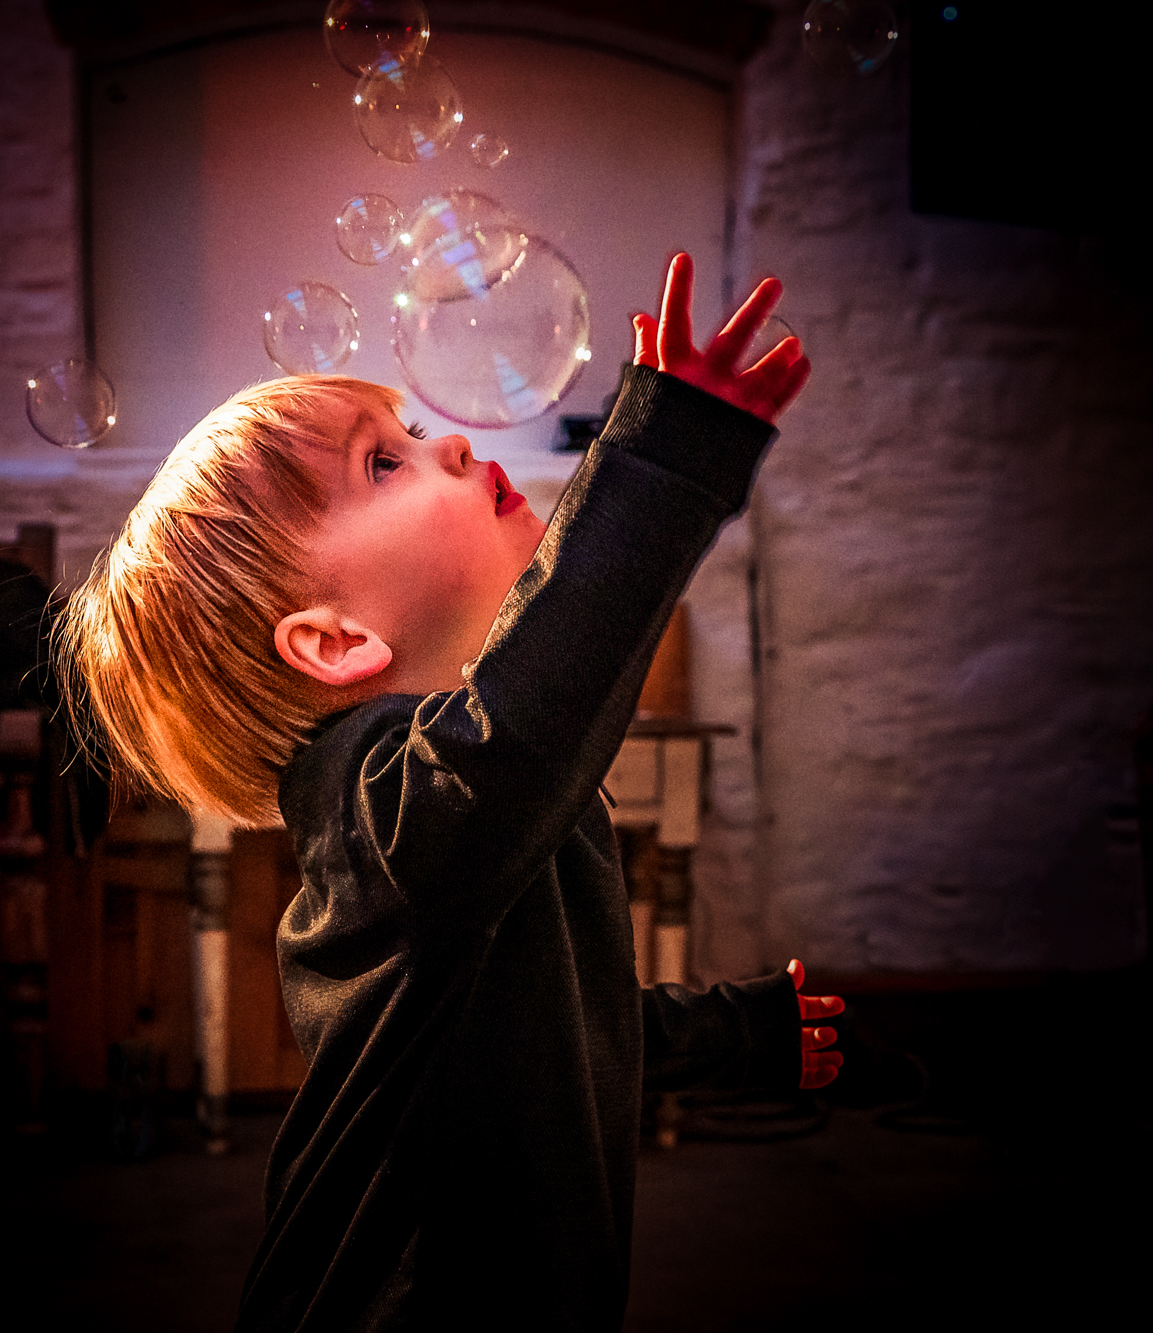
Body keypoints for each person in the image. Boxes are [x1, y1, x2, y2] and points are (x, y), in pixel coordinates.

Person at [60, 254, 844, 1331]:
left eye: (414, 434)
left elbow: (547, 1035)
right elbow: (526, 722)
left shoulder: (465, 819)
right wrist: (664, 459)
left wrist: (735, 1036)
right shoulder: (375, 809)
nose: (454, 442)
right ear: (334, 640)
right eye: (384, 464)